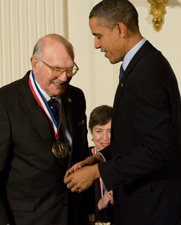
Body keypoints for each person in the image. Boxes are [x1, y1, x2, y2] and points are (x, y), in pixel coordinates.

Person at [64, 0, 181, 224]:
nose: (96, 45)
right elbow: (136, 139)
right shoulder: (139, 65)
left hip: (151, 211)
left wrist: (98, 171)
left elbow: (157, 150)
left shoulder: (146, 71)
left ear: (120, 29)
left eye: (98, 35)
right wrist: (100, 157)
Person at [0, 33, 91, 225]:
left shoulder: (76, 97)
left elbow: (80, 156)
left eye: (70, 69)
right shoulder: (3, 104)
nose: (64, 77)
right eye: (57, 69)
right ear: (35, 64)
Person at [88, 105, 115, 225]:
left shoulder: (127, 161)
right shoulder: (82, 160)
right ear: (90, 131)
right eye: (99, 131)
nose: (105, 138)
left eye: (110, 131)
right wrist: (99, 204)